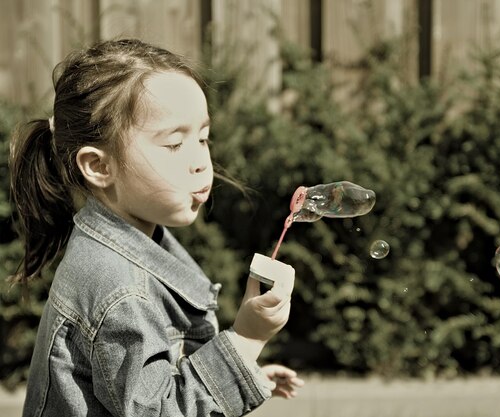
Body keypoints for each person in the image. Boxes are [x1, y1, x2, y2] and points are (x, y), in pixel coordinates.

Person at [9, 38, 304, 417]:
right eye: (176, 144)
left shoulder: (136, 249)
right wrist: (246, 341)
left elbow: (159, 381)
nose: (201, 162)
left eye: (203, 139)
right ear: (100, 167)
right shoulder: (119, 290)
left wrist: (246, 373)